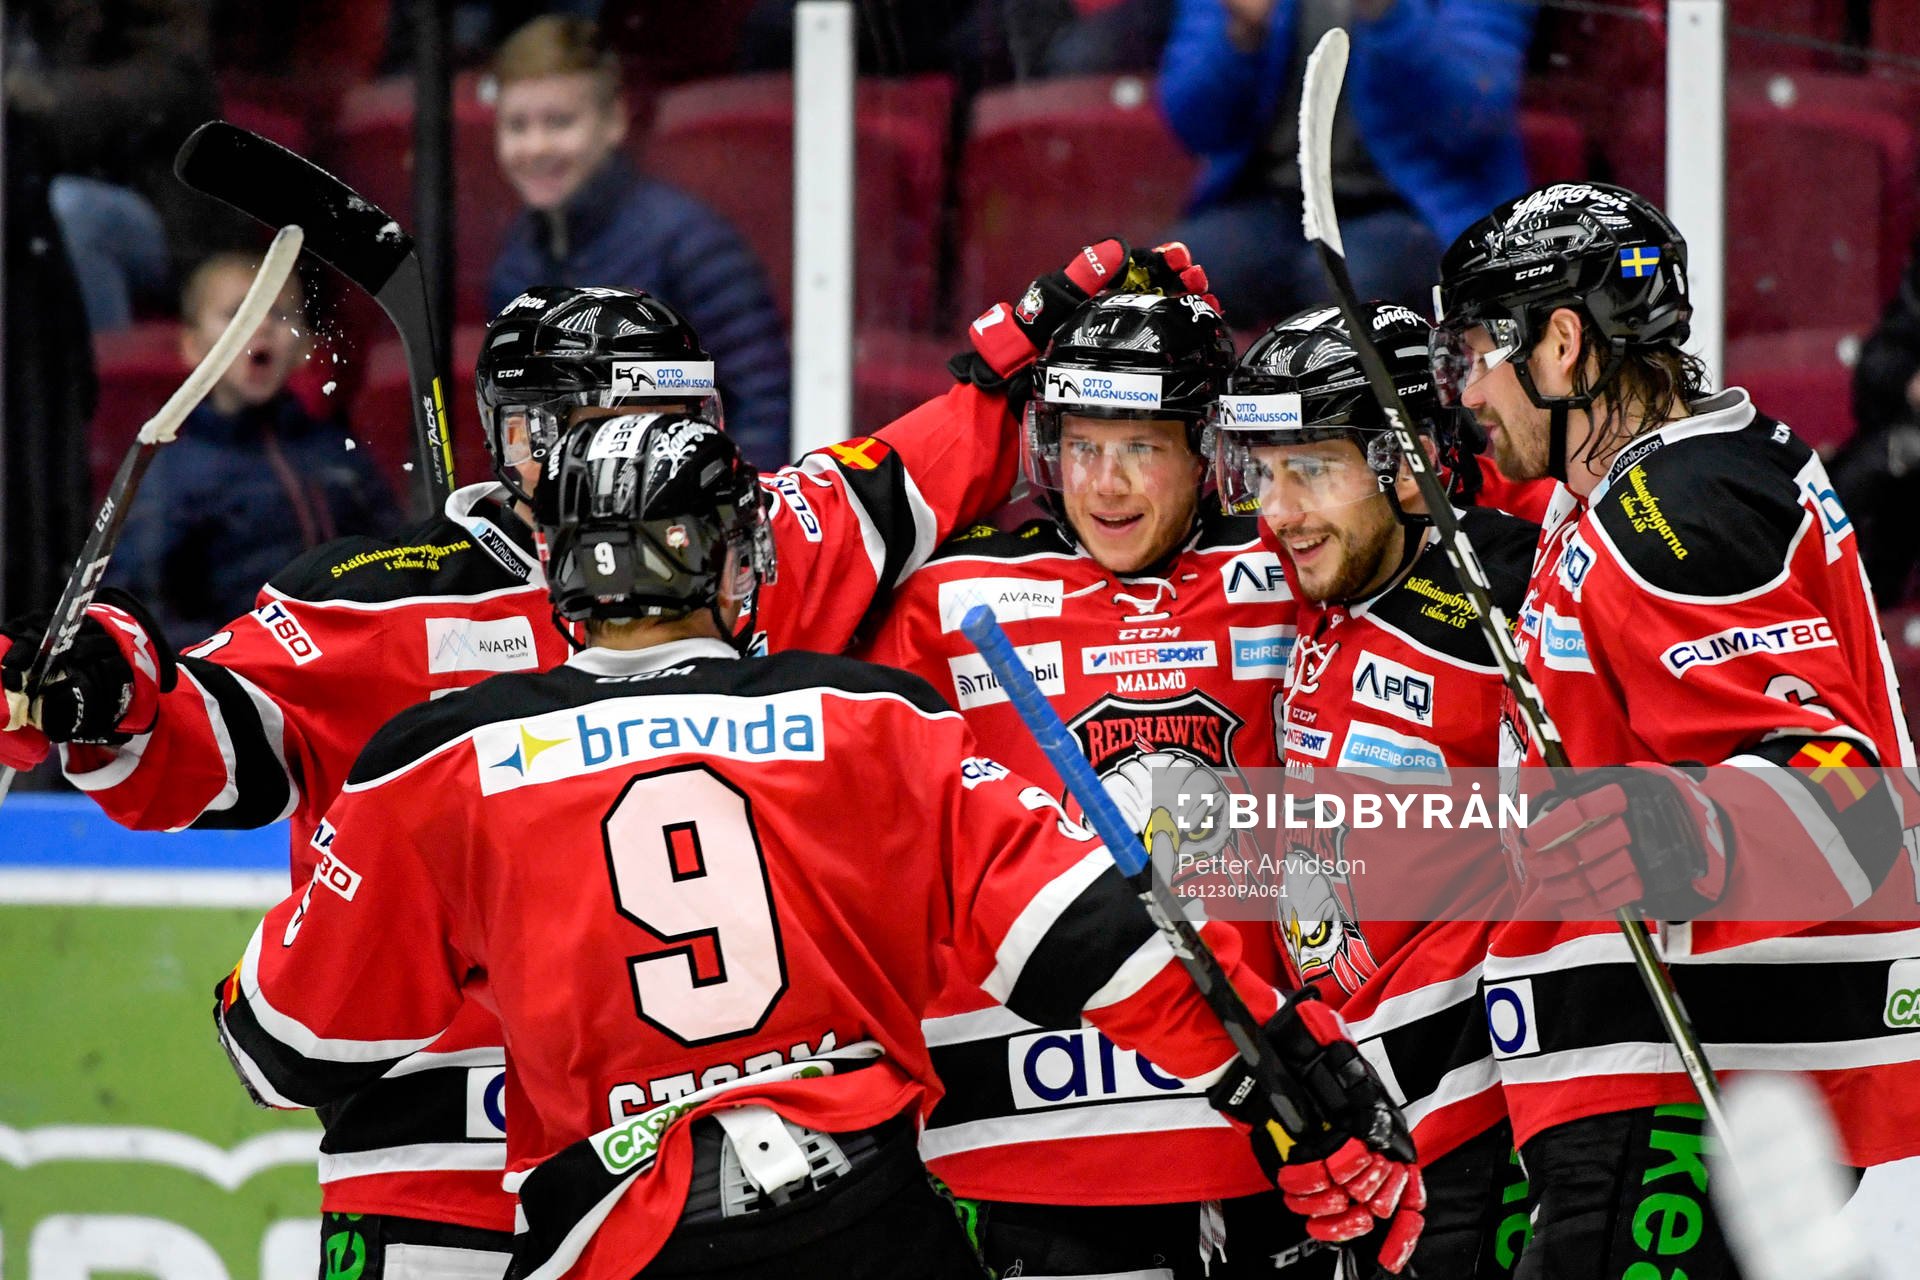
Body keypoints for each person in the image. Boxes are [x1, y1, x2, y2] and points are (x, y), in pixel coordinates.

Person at [0, 245, 1198, 1277]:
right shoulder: (373, 602)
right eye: (564, 427)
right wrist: (106, 690)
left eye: (636, 426)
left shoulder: (753, 542)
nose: (596, 459)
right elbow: (197, 744)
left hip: (666, 1162)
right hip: (445, 1158)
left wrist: (1044, 340)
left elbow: (908, 470)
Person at [212, 411, 1420, 1278]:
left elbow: (287, 1044)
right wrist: (1285, 1077)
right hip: (860, 1212)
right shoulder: (858, 717)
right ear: (727, 555)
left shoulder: (438, 763)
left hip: (613, 1228)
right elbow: (1086, 926)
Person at [858, 291, 1422, 1277]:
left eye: (1142, 447)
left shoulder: (1282, 571)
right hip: (1028, 1146)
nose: (1106, 484)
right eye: (1081, 447)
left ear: (1209, 452)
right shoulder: (951, 601)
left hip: (1270, 1131)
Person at [1429, 180, 1920, 1280]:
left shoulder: (1670, 515)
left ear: (1563, 345)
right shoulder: (1642, 487)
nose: (1464, 392)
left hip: (1698, 1091)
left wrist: (1674, 829)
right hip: (1664, 1078)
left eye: (1476, 354)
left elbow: (1848, 795)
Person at [1210, 300, 1539, 1277]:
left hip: (1469, 1124)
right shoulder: (1316, 582)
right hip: (1344, 1112)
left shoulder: (1513, 598)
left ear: (1403, 461)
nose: (1276, 510)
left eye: (1309, 468)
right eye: (1263, 472)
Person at [486, 15, 791, 468]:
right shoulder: (517, 258)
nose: (536, 147)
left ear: (615, 120)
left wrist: (726, 515)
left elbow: (767, 413)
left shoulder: (694, 245)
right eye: (517, 126)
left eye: (560, 122)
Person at [1157, 0, 1532, 331]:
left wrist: (1391, 14)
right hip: (1272, 199)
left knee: (1347, 285)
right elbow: (1193, 126)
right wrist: (1242, 34)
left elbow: (1473, 120)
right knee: (1177, 277)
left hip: (1416, 208)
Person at [106, 252, 402, 648]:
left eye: (279, 315)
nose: (261, 326)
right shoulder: (171, 471)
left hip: (353, 655)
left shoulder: (335, 449)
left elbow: (398, 551)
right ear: (192, 346)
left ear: (304, 344)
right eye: (238, 314)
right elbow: (137, 605)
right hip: (237, 679)